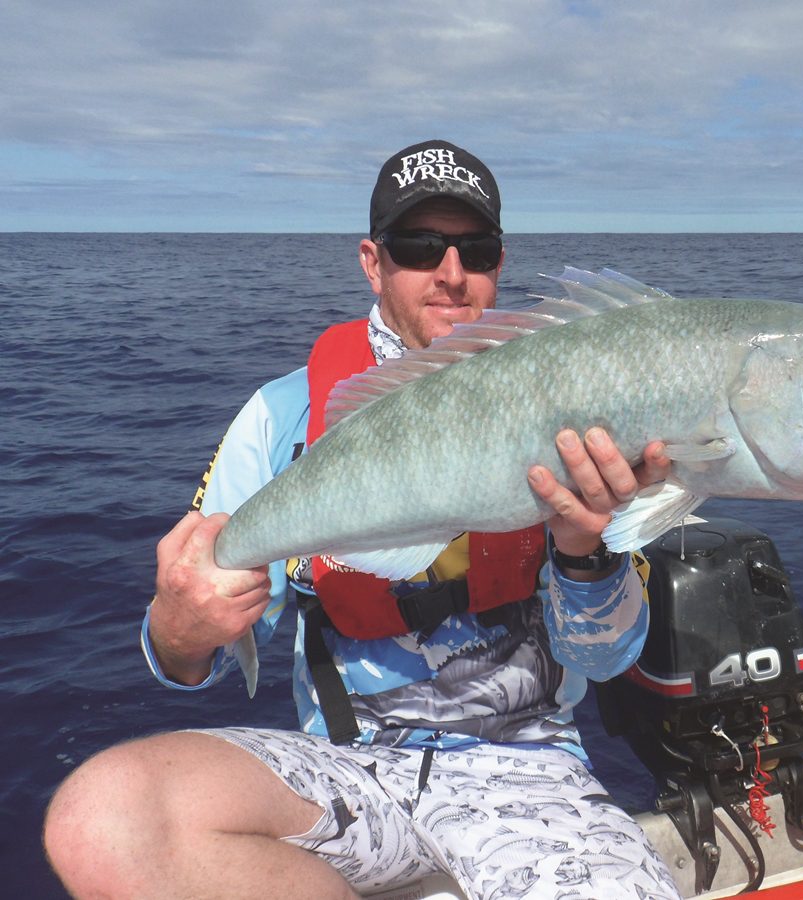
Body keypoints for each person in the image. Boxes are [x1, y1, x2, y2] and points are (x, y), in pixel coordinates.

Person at [44, 140, 684, 900]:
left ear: (499, 262)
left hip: (530, 766)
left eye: (474, 249)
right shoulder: (283, 417)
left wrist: (583, 549)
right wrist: (181, 623)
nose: (451, 272)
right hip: (346, 771)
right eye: (418, 247)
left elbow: (609, 660)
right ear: (372, 262)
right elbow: (185, 662)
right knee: (103, 819)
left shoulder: (581, 402)